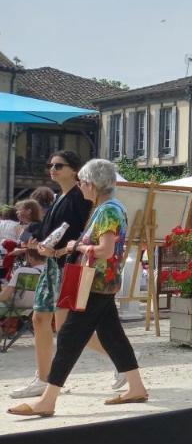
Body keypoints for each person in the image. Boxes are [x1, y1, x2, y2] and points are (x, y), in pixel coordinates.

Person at [8, 159, 149, 418]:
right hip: (103, 282)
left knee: (69, 337)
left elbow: (105, 250)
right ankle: (136, 387)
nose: (81, 187)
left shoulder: (106, 210)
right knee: (112, 336)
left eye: (83, 182)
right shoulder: (111, 207)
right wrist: (63, 249)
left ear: (93, 184)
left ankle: (48, 400)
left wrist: (79, 247)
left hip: (94, 282)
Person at [9, 150, 110, 400]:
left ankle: (121, 358)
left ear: (74, 170)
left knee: (66, 328)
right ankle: (42, 378)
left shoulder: (80, 196)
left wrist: (54, 244)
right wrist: (36, 239)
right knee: (40, 320)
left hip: (69, 265)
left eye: (58, 165)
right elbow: (49, 230)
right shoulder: (60, 197)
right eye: (50, 164)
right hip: (54, 265)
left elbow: (78, 231)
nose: (52, 169)